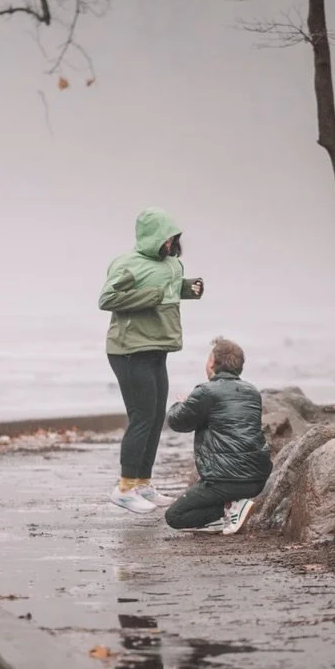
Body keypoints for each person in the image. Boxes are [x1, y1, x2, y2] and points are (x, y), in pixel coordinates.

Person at [98, 209, 204, 513]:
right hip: (129, 350)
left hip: (159, 347)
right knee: (142, 417)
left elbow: (166, 291)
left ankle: (143, 484)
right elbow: (106, 299)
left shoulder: (172, 264)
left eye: (175, 237)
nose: (172, 242)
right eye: (168, 237)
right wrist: (151, 296)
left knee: (157, 418)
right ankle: (124, 488)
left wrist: (187, 288)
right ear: (153, 237)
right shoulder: (127, 264)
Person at [163, 337, 272, 534]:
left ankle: (230, 508)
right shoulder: (252, 391)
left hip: (226, 479)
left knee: (174, 517)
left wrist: (181, 405)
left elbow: (177, 422)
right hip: (257, 478)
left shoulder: (206, 392)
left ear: (212, 363)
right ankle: (232, 507)